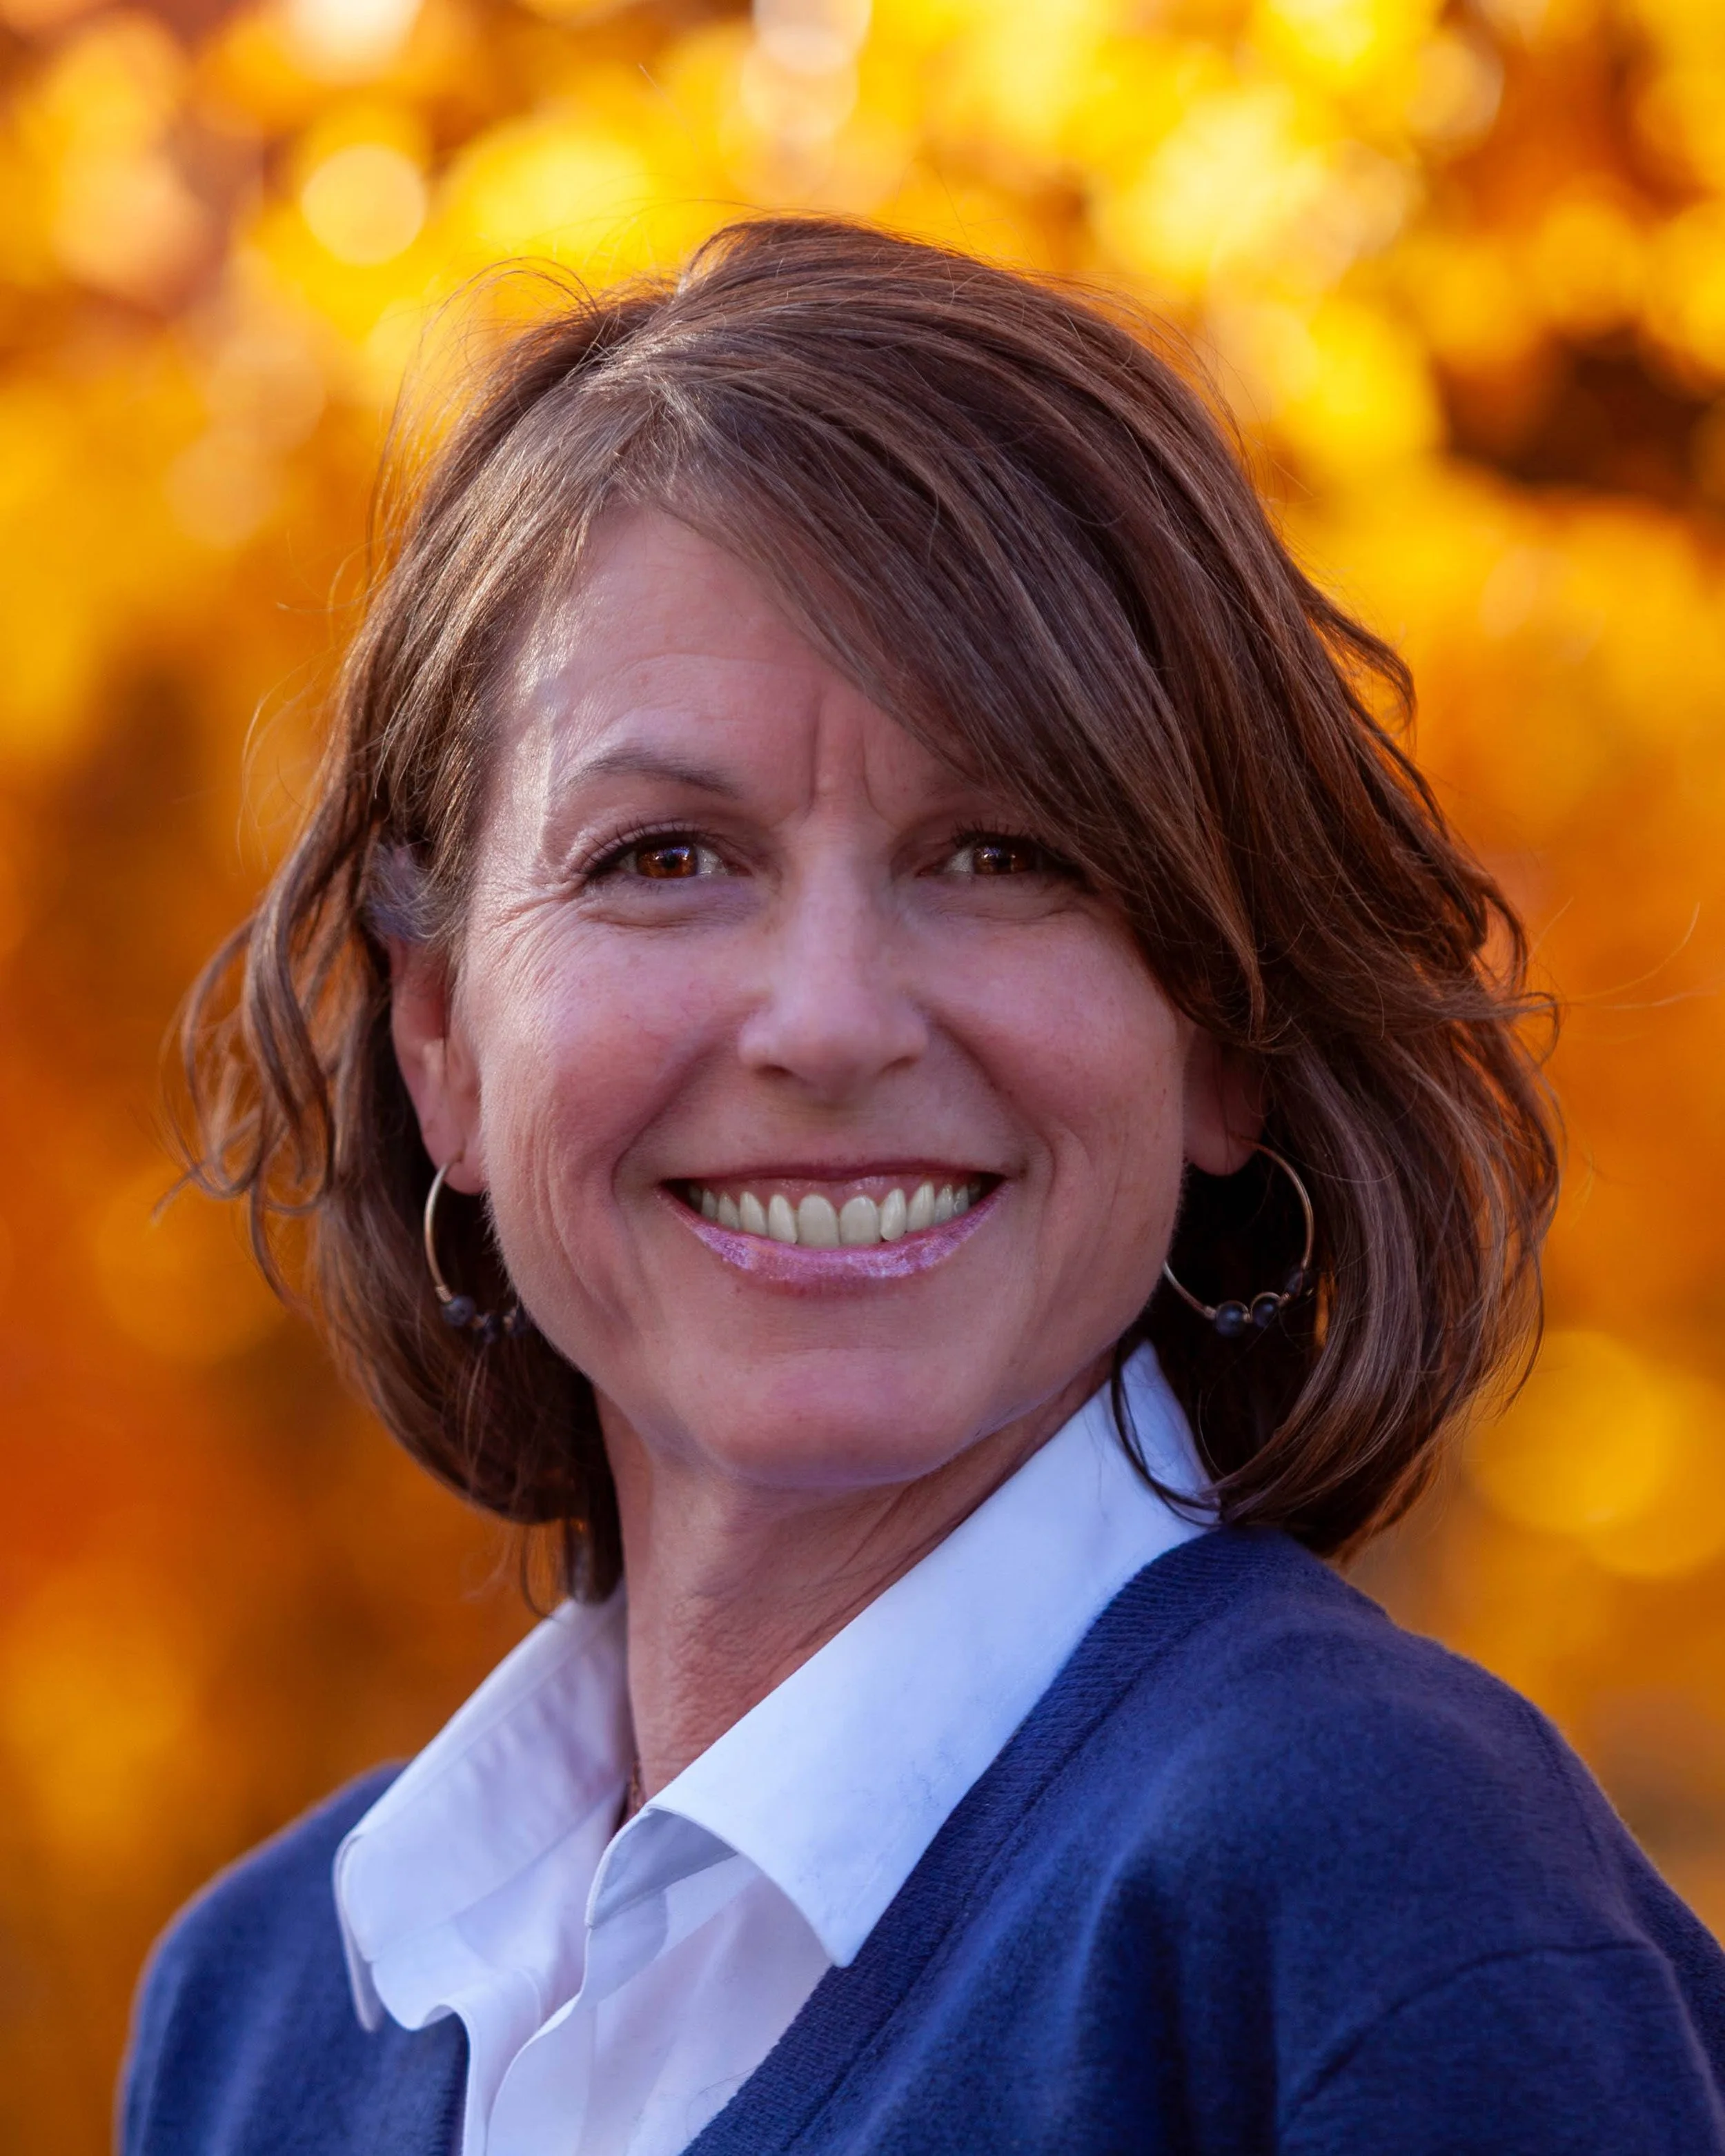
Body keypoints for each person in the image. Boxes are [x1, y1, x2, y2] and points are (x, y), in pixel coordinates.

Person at [121, 217, 1725, 2156]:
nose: (825, 1019)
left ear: (1220, 1030)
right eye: (661, 857)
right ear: (442, 1043)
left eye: (1000, 854)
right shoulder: (262, 2010)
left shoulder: (1368, 1899)